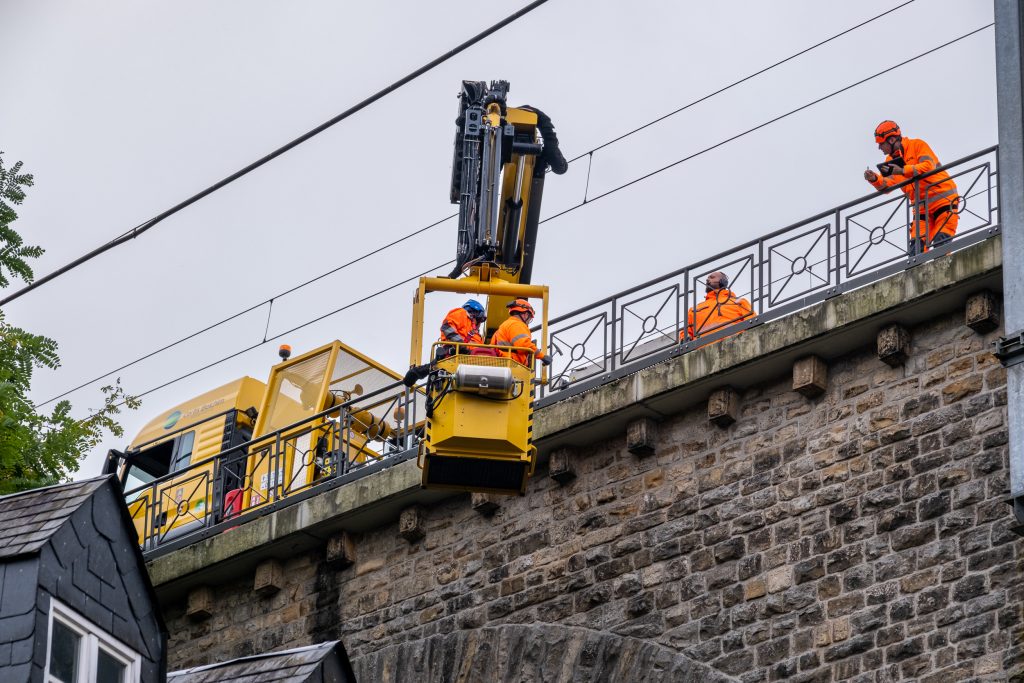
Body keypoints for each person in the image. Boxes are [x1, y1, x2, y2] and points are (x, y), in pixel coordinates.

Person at [863, 121, 959, 255]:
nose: (879, 148)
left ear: (891, 140)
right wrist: (875, 179)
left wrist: (902, 170)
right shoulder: (889, 161)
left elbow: (928, 166)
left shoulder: (917, 145)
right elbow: (887, 186)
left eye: (881, 144)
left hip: (943, 200)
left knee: (941, 242)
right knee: (915, 250)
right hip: (921, 208)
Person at [681, 271, 754, 341]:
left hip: (734, 345)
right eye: (707, 278)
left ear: (722, 281)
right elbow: (685, 334)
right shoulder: (694, 309)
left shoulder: (739, 302)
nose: (707, 279)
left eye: (712, 277)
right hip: (703, 350)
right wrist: (683, 338)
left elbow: (753, 322)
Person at [490, 298, 552, 367]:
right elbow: (524, 344)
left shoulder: (503, 326)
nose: (529, 321)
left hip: (501, 363)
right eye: (530, 318)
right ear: (525, 314)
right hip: (512, 365)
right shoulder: (517, 325)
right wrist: (543, 357)